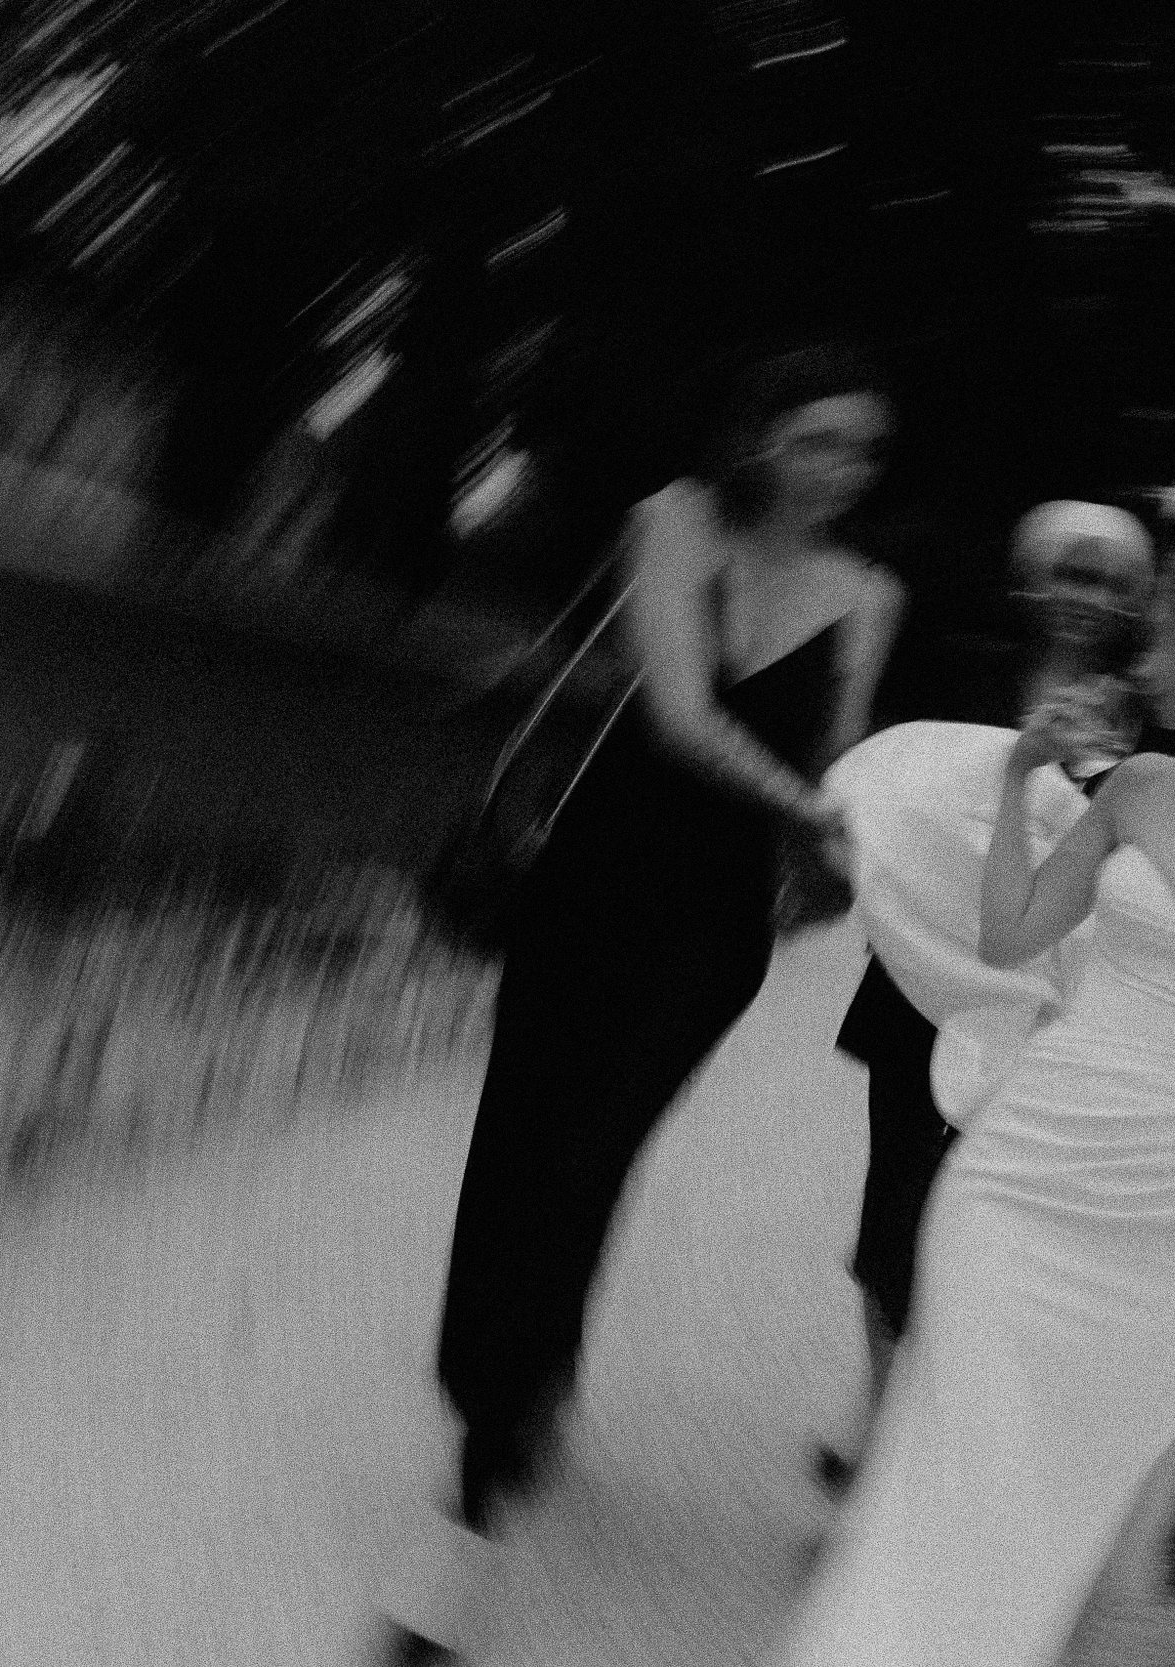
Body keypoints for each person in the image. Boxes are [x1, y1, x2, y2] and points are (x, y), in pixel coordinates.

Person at [776, 534, 1175, 1667]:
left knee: (1086, 1495)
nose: (1145, 652)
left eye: (1169, 629)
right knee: (952, 1466)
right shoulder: (1139, 785)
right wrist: (1019, 770)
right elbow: (1012, 934)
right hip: (1025, 1172)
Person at [383, 344, 902, 1664]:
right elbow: (677, 712)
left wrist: (843, 854)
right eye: (817, 438)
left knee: (591, 1152)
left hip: (712, 926)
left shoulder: (869, 594)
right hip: (592, 878)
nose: (837, 470)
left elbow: (834, 765)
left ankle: (473, 1505)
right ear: (763, 431)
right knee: (525, 1141)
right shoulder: (672, 520)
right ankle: (515, 1380)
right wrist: (814, 811)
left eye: (861, 452)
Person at [823, 500, 1161, 1488]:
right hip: (921, 985)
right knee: (895, 1211)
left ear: (1136, 601)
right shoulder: (961, 674)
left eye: (1110, 582)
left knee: (989, 1228)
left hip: (1057, 1012)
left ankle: (940, 1434)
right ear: (1030, 580)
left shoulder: (1154, 717)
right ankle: (885, 1423)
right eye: (1070, 572)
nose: (1086, 596)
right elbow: (885, 789)